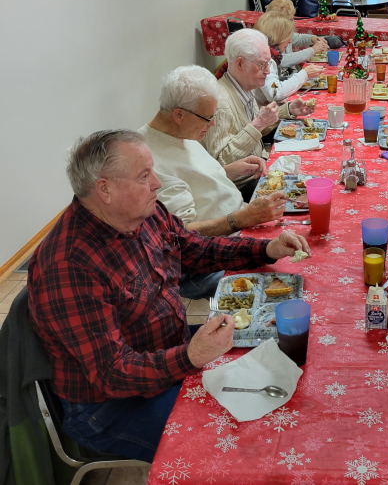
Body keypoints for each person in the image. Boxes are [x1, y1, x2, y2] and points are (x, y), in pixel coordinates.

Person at [27, 129, 310, 462]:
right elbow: (112, 373)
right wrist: (190, 357)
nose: (157, 183)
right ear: (104, 189)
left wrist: (265, 248)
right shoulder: (68, 266)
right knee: (236, 446)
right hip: (110, 406)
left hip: (167, 351)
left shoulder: (142, 213)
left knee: (279, 361)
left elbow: (195, 249)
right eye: (144, 175)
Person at [139, 65, 288, 299]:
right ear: (179, 114)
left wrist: (226, 171)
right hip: (204, 264)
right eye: (209, 118)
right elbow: (182, 236)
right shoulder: (149, 162)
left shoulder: (180, 132)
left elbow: (195, 181)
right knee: (288, 275)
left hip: (238, 229)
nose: (213, 125)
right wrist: (243, 218)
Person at [202, 29, 315, 175]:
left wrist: (288, 110)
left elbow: (255, 130)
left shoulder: (246, 86)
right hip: (243, 185)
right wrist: (259, 124)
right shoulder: (221, 104)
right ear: (240, 64)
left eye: (269, 64)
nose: (268, 71)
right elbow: (221, 164)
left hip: (259, 166)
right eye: (262, 64)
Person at [254, 12, 325, 104]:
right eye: (288, 36)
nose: (290, 40)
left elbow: (273, 83)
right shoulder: (264, 60)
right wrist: (305, 74)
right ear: (277, 37)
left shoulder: (269, 54)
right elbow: (275, 93)